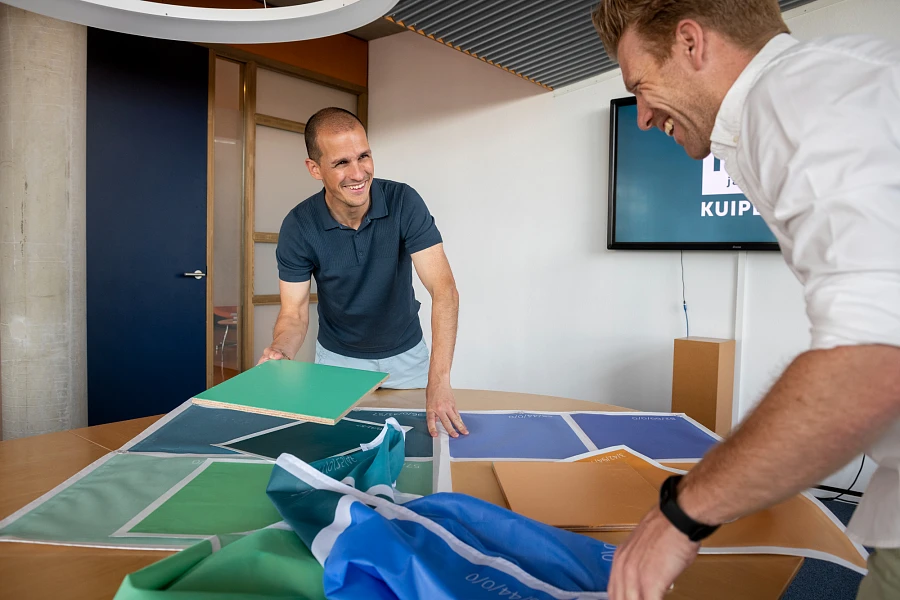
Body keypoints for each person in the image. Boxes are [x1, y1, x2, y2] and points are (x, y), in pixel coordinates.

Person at [591, 1, 900, 598]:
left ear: (690, 43)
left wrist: (680, 516)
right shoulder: (833, 81)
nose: (643, 118)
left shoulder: (794, 99)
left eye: (640, 87)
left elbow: (870, 362)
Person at [258, 107, 468, 439]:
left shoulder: (403, 201)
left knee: (419, 445)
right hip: (338, 361)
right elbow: (294, 313)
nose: (358, 173)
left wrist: (439, 380)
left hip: (408, 355)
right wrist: (281, 351)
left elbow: (444, 291)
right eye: (341, 162)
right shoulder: (298, 226)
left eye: (364, 156)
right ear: (315, 169)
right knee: (338, 446)